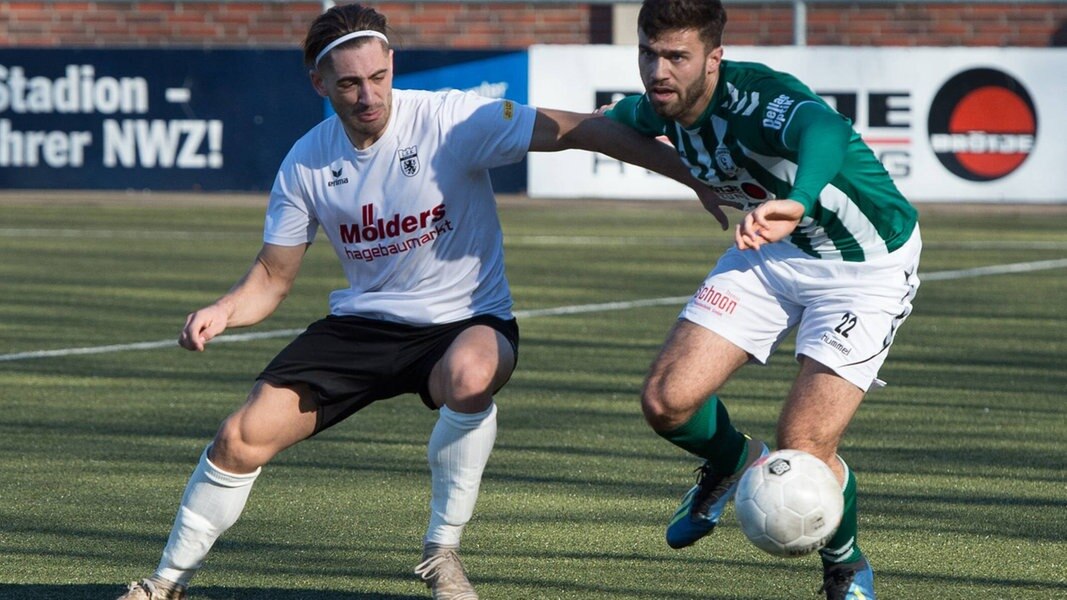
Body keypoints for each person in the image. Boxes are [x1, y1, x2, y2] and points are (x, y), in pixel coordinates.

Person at [115, 4, 720, 600]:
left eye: (378, 78)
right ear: (319, 83)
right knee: (240, 437)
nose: (368, 96)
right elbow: (272, 278)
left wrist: (693, 176)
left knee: (470, 374)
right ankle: (164, 583)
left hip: (465, 323)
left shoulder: (453, 119)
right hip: (362, 328)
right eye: (349, 84)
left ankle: (441, 553)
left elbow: (581, 128)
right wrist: (224, 309)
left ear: (391, 65)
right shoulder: (305, 162)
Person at [600, 2, 921, 599]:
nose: (659, 70)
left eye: (677, 56)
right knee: (666, 402)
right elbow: (614, 123)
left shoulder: (757, 97)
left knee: (805, 444)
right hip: (771, 256)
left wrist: (798, 197)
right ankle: (732, 461)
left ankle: (844, 561)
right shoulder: (658, 106)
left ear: (713, 59)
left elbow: (824, 129)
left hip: (865, 266)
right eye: (649, 53)